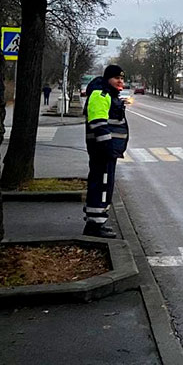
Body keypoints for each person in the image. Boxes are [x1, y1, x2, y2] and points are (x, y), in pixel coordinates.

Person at [82, 65, 129, 238]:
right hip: (102, 150)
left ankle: (98, 220)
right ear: (107, 78)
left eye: (122, 78)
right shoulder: (101, 95)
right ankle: (94, 225)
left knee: (104, 185)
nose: (120, 81)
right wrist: (107, 147)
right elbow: (98, 124)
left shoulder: (108, 94)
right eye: (117, 78)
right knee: (101, 185)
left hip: (107, 151)